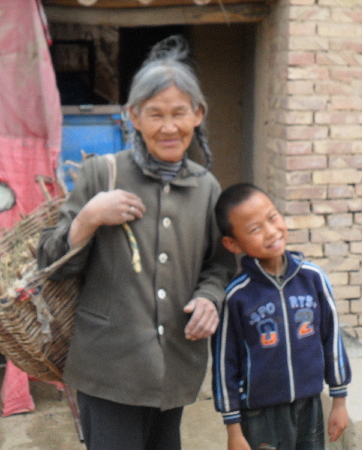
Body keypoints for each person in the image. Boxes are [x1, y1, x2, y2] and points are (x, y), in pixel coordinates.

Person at [37, 35, 234, 449]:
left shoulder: (206, 188)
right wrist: (89, 218)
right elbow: (50, 263)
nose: (168, 127)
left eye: (179, 113)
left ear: (198, 114)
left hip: (175, 365)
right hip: (109, 368)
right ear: (133, 116)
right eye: (155, 114)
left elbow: (218, 265)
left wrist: (209, 298)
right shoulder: (101, 174)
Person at [211, 183, 352, 450]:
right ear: (233, 243)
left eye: (272, 217)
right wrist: (233, 429)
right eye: (255, 229)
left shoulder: (313, 279)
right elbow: (224, 365)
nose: (271, 232)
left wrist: (339, 401)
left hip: (309, 405)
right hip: (259, 414)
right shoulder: (236, 296)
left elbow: (332, 340)